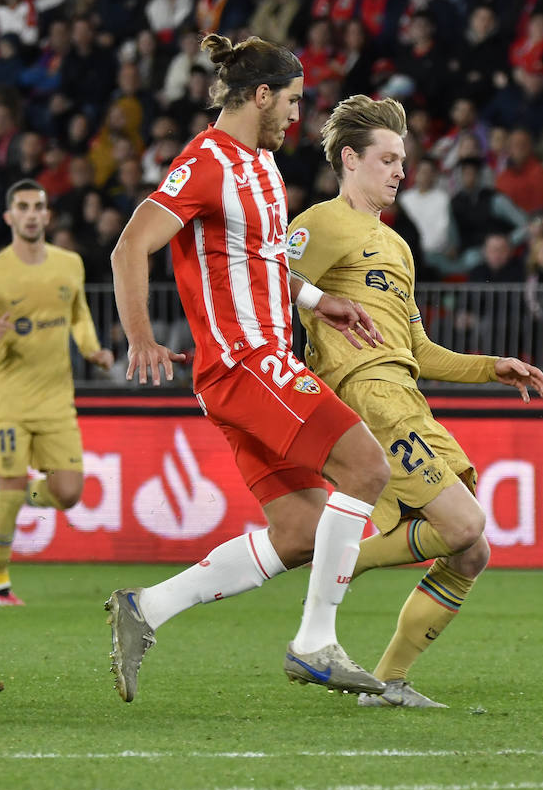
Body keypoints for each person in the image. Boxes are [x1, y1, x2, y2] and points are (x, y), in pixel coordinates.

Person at [105, 34, 392, 703]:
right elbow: (130, 247)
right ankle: (315, 645)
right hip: (244, 363)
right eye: (291, 101)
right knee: (367, 468)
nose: (298, 115)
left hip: (263, 363)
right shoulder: (206, 163)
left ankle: (145, 609)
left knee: (299, 532)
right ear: (260, 95)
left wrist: (322, 302)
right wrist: (141, 338)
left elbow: (263, 262)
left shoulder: (262, 166)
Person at [286, 94, 543, 707]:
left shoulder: (398, 247)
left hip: (407, 397)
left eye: (403, 160)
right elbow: (267, 278)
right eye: (388, 159)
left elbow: (419, 349)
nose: (401, 171)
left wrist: (491, 367)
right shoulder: (318, 224)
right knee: (465, 524)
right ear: (350, 160)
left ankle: (387, 682)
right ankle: (336, 558)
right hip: (368, 399)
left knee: (471, 550)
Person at [0, 180, 114, 605]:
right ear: (9, 216)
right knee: (13, 486)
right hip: (9, 403)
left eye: (38, 207)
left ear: (47, 215)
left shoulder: (69, 264)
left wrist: (92, 349)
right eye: (22, 207)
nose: (31, 214)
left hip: (57, 401)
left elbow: (78, 313)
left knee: (68, 493)